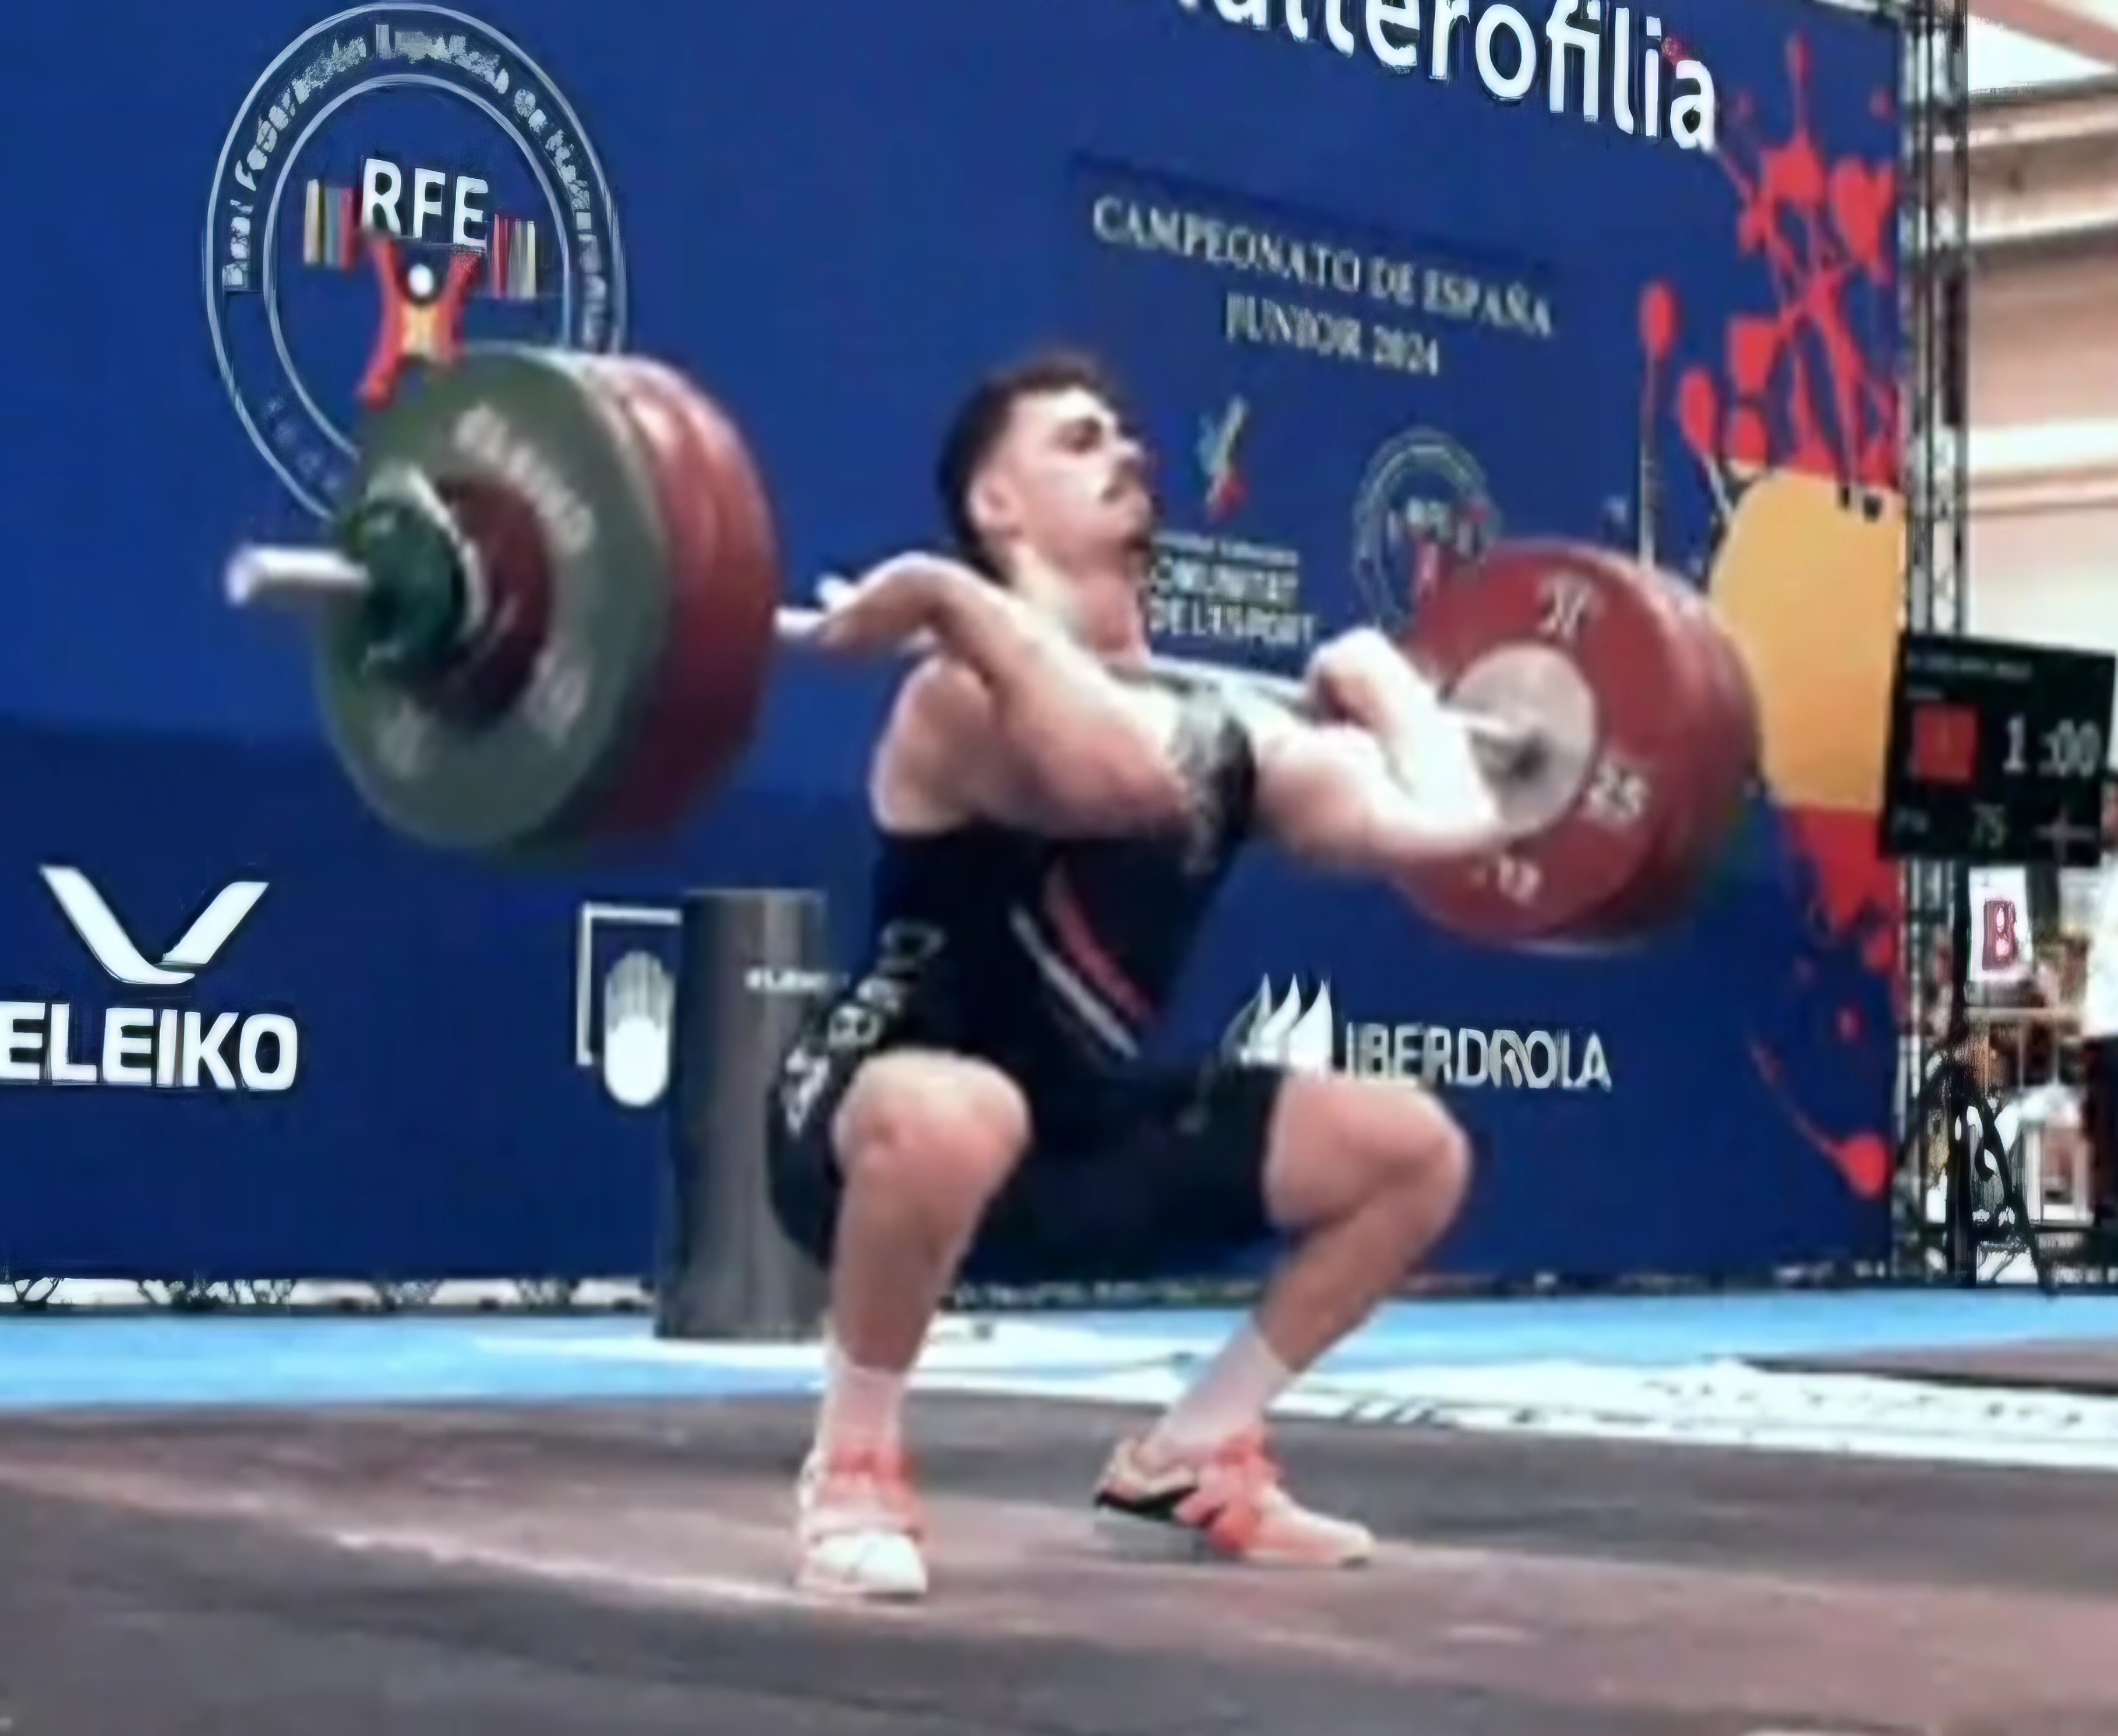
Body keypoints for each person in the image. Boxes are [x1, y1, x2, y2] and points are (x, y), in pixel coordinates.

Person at [767, 351, 1508, 1601]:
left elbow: (1454, 832)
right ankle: (852, 1464)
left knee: (1411, 1151)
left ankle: (1191, 1456)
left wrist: (1394, 697)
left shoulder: (1228, 727)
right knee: (961, 1110)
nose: (1124, 452)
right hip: (868, 1131)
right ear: (997, 505)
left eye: (1121, 433)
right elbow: (1122, 780)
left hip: (1075, 1139)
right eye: (1076, 439)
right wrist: (959, 604)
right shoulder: (955, 696)